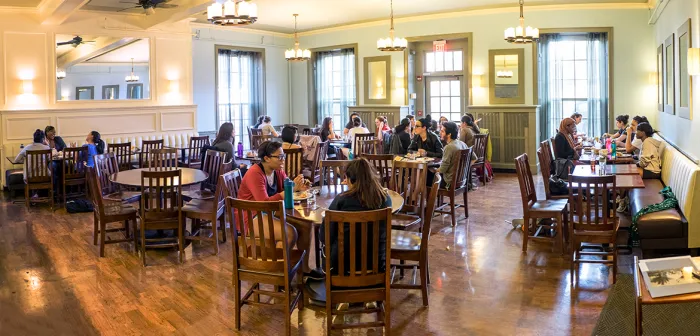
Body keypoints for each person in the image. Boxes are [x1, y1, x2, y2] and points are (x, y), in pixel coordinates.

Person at [236, 141, 320, 278]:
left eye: (283, 156)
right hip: (251, 216)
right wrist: (283, 194)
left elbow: (288, 186)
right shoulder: (254, 174)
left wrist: (298, 185)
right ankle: (279, 274)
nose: (283, 160)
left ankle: (304, 269)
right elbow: (264, 203)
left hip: (269, 213)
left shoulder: (277, 171)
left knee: (305, 225)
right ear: (267, 158)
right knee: (289, 233)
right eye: (279, 157)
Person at [321, 158, 392, 276]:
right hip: (377, 265)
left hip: (342, 267)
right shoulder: (385, 199)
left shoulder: (341, 200)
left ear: (350, 180)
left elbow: (325, 236)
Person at [439, 122, 475, 189]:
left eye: (442, 131)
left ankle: (427, 199)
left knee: (429, 177)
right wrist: (464, 169)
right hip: (462, 181)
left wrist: (434, 170)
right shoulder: (462, 144)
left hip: (449, 183)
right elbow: (474, 158)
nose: (440, 133)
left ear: (449, 134)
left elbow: (442, 169)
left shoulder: (449, 147)